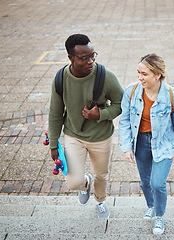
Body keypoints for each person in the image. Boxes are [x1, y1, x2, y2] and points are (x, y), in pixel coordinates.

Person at [48, 34, 124, 219]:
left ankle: (100, 201)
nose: (90, 61)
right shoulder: (60, 79)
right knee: (73, 182)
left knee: (101, 175)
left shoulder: (106, 76)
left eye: (93, 55)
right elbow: (55, 113)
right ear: (71, 58)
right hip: (74, 135)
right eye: (84, 58)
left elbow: (121, 103)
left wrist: (101, 114)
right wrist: (53, 143)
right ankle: (85, 183)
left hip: (101, 137)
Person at [119, 53, 174, 234]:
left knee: (157, 183)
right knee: (145, 182)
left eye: (144, 74)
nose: (139, 77)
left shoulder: (173, 95)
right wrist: (126, 147)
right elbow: (125, 121)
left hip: (164, 143)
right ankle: (151, 205)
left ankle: (159, 216)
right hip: (140, 142)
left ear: (157, 74)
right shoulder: (131, 91)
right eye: (138, 72)